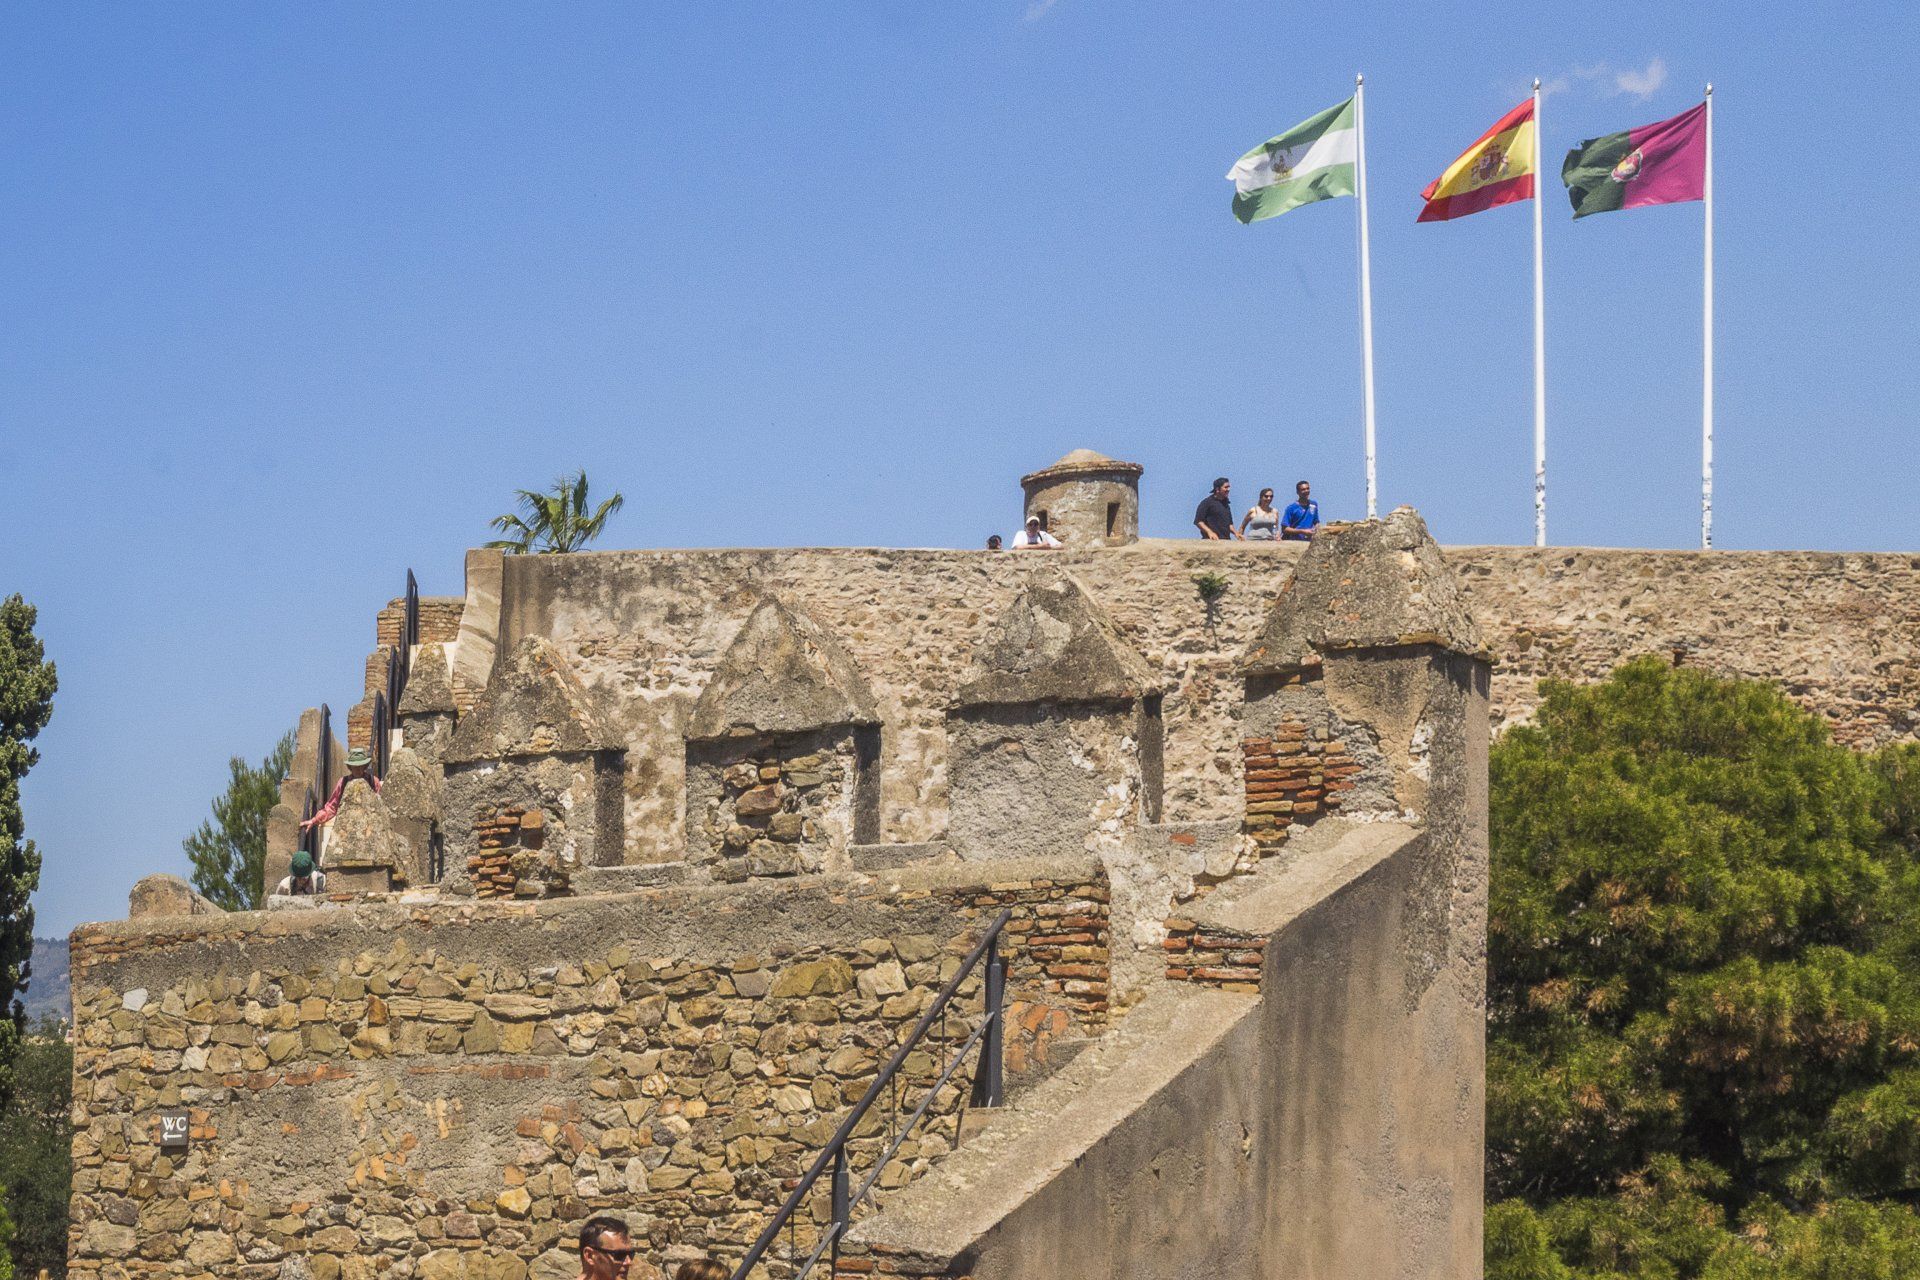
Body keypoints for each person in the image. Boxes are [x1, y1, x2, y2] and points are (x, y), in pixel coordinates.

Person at [301, 748, 381, 830]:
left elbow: (380, 807)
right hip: (349, 827)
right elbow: (331, 807)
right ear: (350, 767)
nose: (358, 770)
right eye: (355, 767)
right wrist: (314, 820)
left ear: (365, 766)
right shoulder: (343, 782)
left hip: (370, 827)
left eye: (361, 766)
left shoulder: (373, 781)